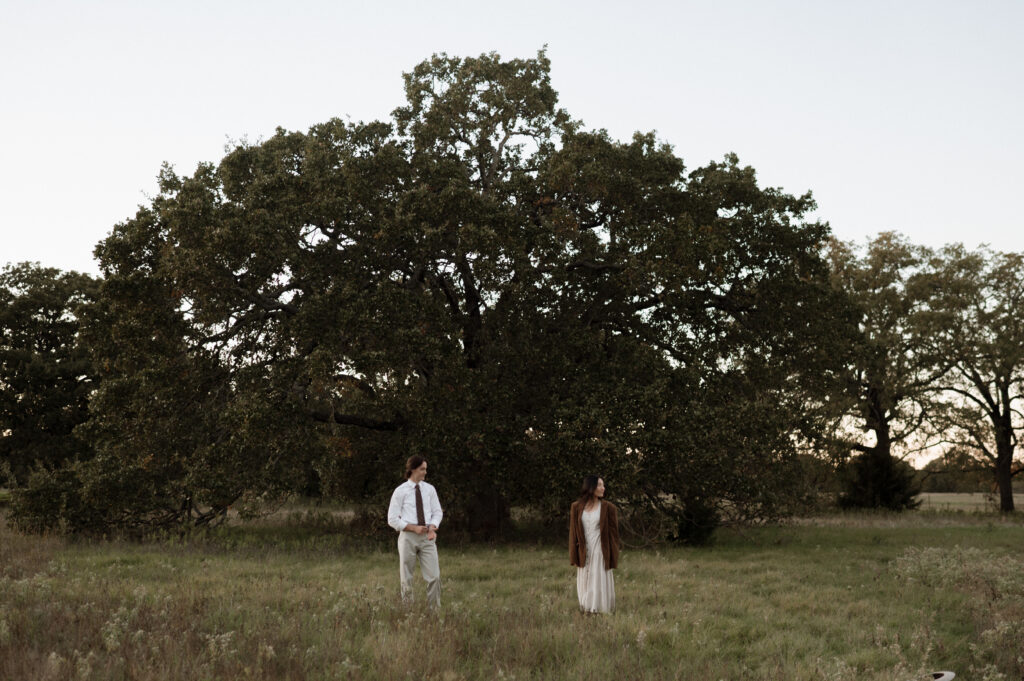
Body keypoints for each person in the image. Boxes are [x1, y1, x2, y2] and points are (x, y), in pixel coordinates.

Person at [387, 455, 443, 609]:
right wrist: (413, 528)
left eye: (425, 469)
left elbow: (437, 512)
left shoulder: (430, 489)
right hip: (408, 538)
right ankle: (408, 612)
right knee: (406, 578)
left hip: (427, 538)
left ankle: (434, 613)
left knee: (434, 577)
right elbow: (392, 519)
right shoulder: (400, 491)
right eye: (422, 469)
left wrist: (433, 526)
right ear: (412, 469)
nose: (425, 472)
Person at [569, 475, 621, 613]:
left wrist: (613, 556)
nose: (603, 488)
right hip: (584, 549)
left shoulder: (608, 508)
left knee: (598, 578)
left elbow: (614, 535)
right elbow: (573, 533)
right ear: (591, 487)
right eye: (599, 485)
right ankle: (586, 608)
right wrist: (574, 555)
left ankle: (600, 609)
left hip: (600, 549)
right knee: (585, 578)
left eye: (603, 485)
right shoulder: (576, 507)